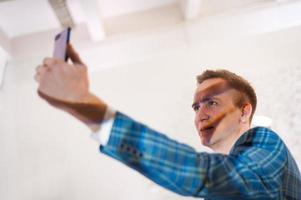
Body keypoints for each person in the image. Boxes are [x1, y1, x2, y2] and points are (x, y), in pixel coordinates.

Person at [35, 44, 301, 200]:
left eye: (212, 102)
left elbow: (208, 174)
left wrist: (84, 102)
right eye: (196, 107)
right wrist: (75, 105)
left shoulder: (267, 142)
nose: (200, 115)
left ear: (244, 112)